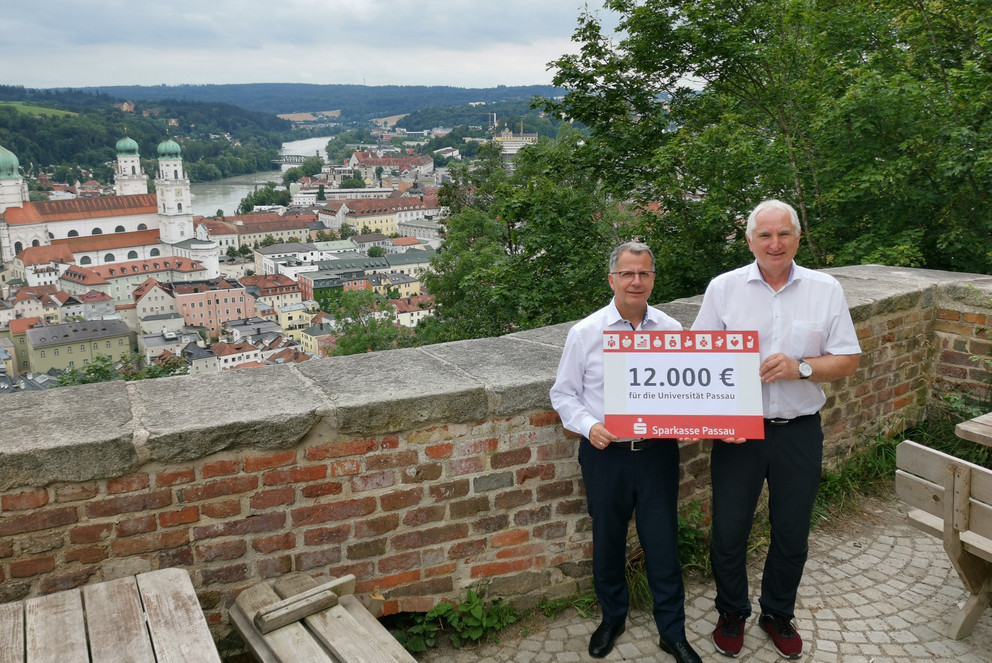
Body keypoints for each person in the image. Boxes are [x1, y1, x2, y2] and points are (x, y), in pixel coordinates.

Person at [691, 199, 861, 659]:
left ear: (797, 238)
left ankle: (777, 613)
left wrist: (800, 367)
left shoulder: (825, 289)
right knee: (729, 529)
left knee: (792, 531)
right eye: (764, 235)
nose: (774, 243)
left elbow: (848, 358)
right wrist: (715, 421)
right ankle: (731, 611)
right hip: (738, 433)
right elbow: (699, 360)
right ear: (750, 241)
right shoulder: (724, 288)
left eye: (783, 234)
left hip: (799, 429)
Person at [550, 241, 702, 663]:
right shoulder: (586, 333)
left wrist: (694, 421)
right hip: (606, 454)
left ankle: (672, 632)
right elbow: (563, 395)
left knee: (663, 545)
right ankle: (612, 618)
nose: (637, 281)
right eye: (628, 274)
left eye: (645, 273)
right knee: (609, 541)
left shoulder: (672, 332)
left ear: (653, 278)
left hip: (657, 454)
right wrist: (588, 426)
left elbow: (689, 391)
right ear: (612, 278)